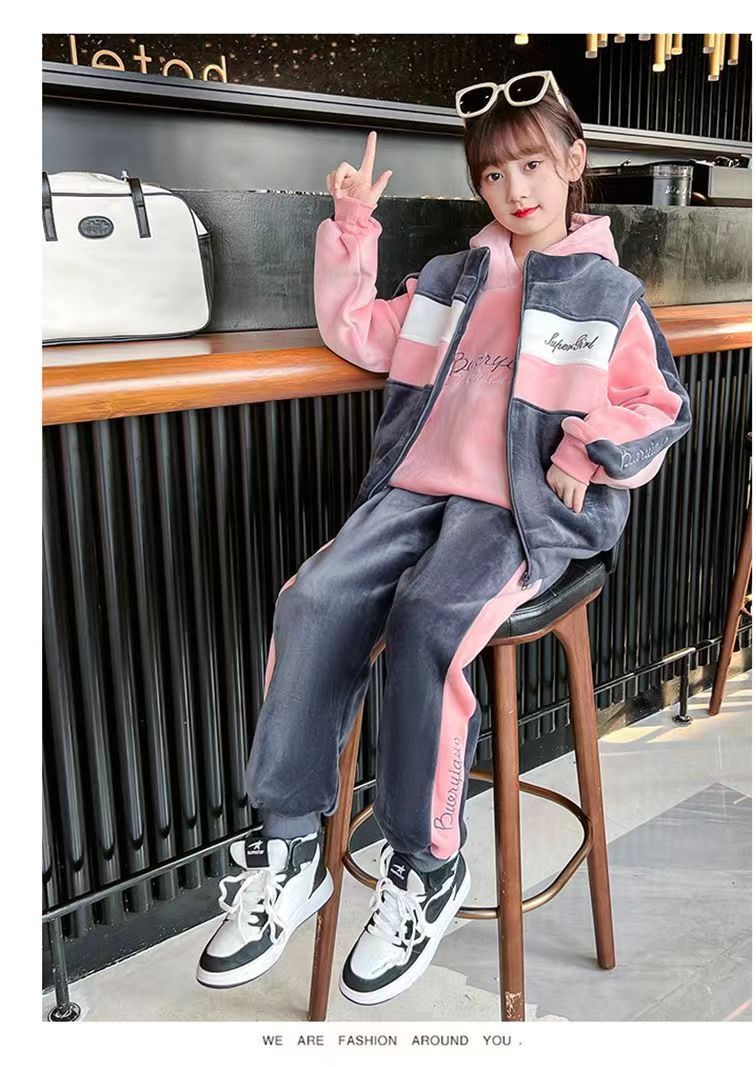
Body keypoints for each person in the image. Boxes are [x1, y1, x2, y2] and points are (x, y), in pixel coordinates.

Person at [196, 71, 692, 1005]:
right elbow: (358, 331)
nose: (516, 189)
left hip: (516, 508)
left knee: (430, 619)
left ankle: (426, 866)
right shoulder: (450, 280)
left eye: (532, 165)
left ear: (574, 162)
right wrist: (352, 228)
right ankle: (291, 849)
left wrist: (585, 449)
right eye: (495, 174)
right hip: (414, 492)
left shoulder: (607, 292)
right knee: (312, 600)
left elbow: (657, 404)